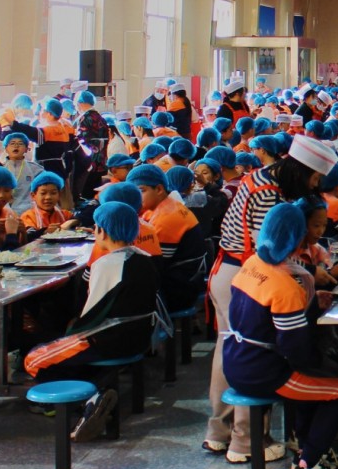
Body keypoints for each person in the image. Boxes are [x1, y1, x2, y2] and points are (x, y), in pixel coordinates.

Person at [204, 135, 338, 464]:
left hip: (236, 272)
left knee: (230, 348)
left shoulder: (263, 177)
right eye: (314, 178)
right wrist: (311, 273)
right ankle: (247, 440)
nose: (314, 185)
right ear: (301, 170)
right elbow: (273, 248)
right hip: (247, 274)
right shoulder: (268, 194)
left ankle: (219, 433)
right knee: (252, 349)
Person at [224, 202, 338, 469]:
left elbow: (261, 319)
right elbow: (296, 350)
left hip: (236, 358)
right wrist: (321, 364)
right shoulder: (285, 284)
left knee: (322, 379)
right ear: (297, 237)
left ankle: (308, 447)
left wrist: (310, 304)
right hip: (263, 371)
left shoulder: (252, 264)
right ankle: (309, 465)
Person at [23, 202, 160, 441]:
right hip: (141, 336)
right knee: (62, 352)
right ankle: (94, 392)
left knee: (35, 359)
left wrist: (68, 332)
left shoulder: (107, 265)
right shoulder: (145, 257)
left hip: (109, 339)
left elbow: (90, 314)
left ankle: (86, 400)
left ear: (102, 231)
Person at [126, 165, 208, 313]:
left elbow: (153, 267)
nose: (135, 197)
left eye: (141, 191)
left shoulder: (167, 217)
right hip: (183, 280)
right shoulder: (164, 206)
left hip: (178, 291)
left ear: (159, 189)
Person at [21, 172, 74, 241]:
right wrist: (44, 232)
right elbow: (29, 236)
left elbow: (77, 225)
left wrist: (76, 223)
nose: (48, 197)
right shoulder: (28, 216)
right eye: (43, 193)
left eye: (53, 193)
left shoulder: (66, 215)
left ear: (59, 195)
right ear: (33, 196)